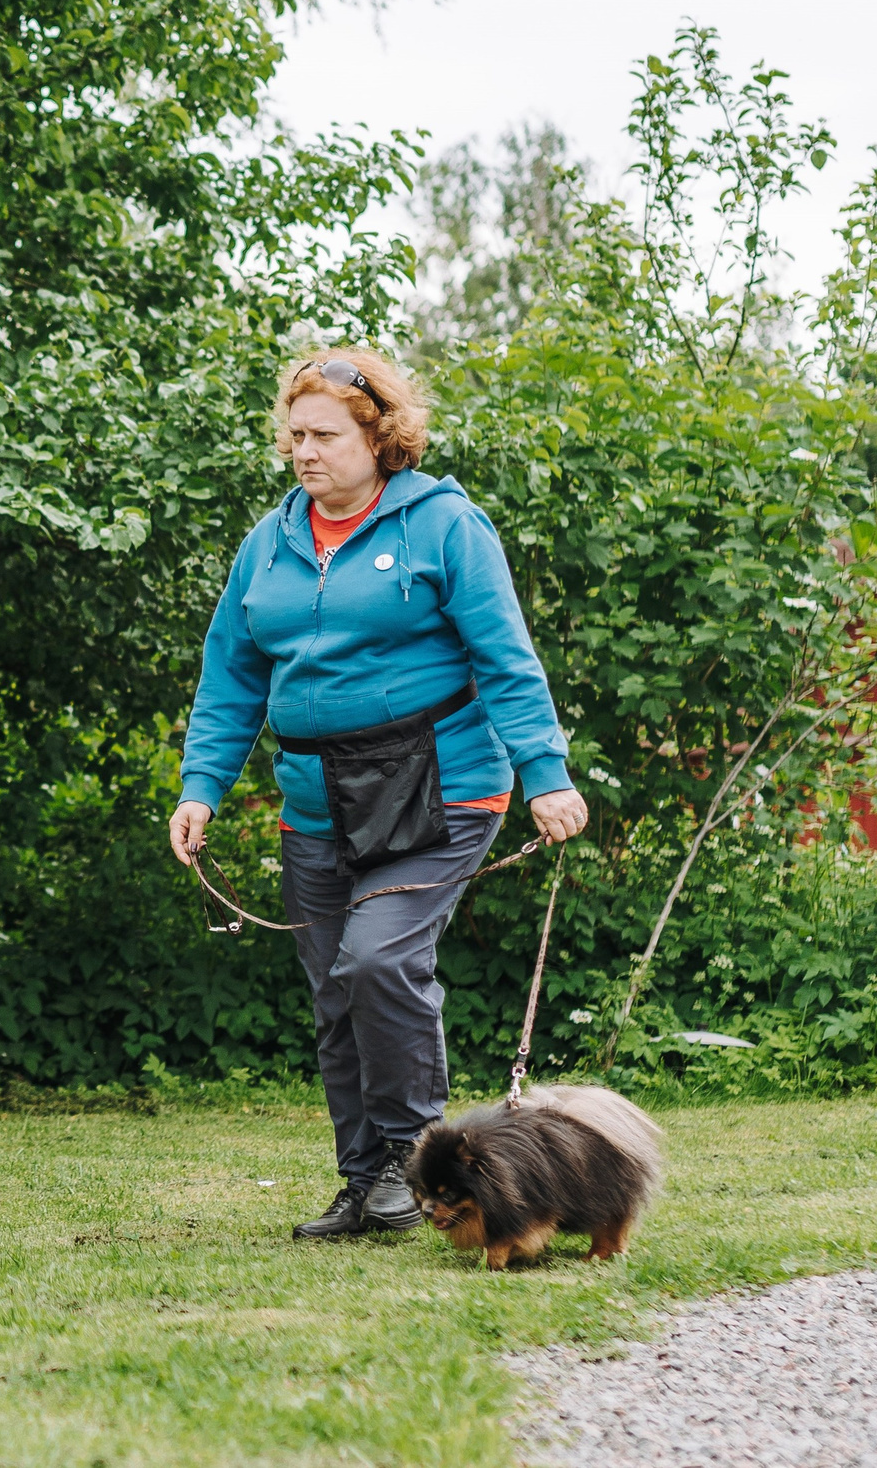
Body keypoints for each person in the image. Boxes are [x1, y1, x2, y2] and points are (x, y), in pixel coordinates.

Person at [169, 350, 587, 1239]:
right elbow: (231, 675)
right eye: (294, 436)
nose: (304, 452)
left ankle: (416, 1167)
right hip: (317, 802)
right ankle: (364, 1186)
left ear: (379, 435)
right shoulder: (269, 542)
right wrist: (201, 786)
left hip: (442, 790)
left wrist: (545, 775)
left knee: (378, 963)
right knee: (334, 995)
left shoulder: (444, 525)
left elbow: (504, 658)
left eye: (324, 435)